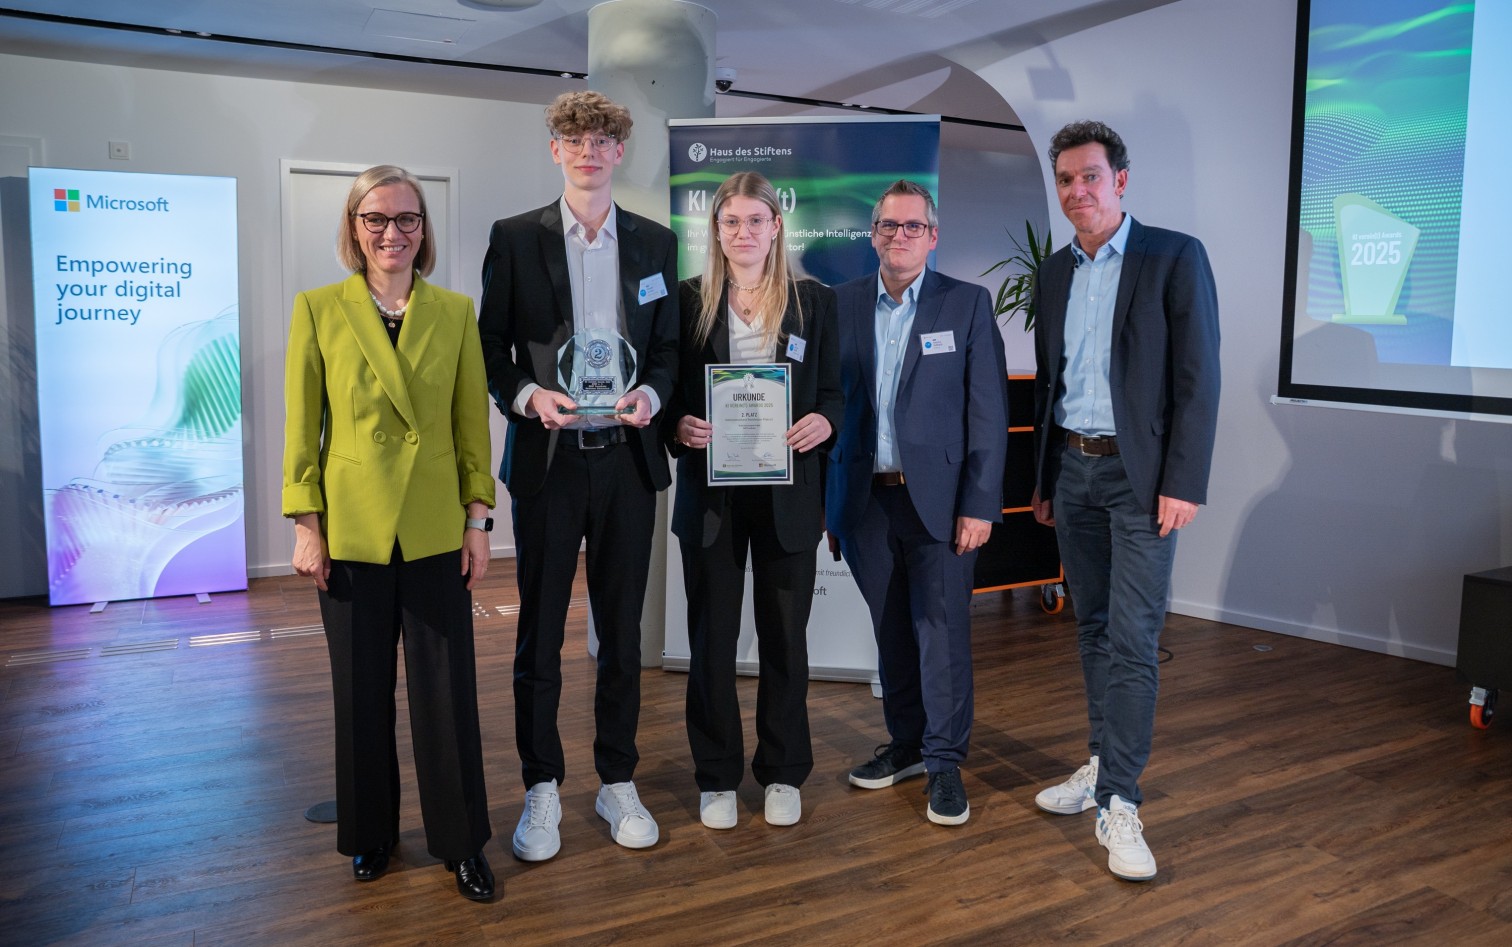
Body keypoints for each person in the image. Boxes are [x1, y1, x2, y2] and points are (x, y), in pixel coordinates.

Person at [282, 165, 496, 901]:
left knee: (447, 694)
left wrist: (478, 520)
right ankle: (371, 832)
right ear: (353, 227)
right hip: (353, 533)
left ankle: (462, 842)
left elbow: (473, 428)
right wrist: (307, 524)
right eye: (376, 219)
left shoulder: (455, 312)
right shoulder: (317, 309)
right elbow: (301, 428)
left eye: (407, 219)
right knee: (360, 694)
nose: (392, 233)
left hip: (436, 529)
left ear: (424, 230)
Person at [477, 91, 678, 860]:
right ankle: (542, 785)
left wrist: (652, 396)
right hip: (551, 461)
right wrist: (529, 397)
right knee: (540, 633)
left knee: (621, 630)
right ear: (554, 149)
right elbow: (492, 348)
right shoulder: (516, 238)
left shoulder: (656, 245)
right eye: (573, 137)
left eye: (602, 139)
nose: (588, 149)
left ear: (619, 152)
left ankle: (616, 777)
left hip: (626, 461)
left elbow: (666, 351)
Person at [1029, 120, 1220, 882]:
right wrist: (1044, 480)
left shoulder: (1173, 256)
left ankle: (1122, 800)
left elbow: (1197, 381)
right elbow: (1052, 384)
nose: (1077, 191)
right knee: (1094, 627)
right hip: (1073, 471)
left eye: (1090, 177)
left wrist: (1184, 480)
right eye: (1066, 180)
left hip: (1143, 482)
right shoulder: (1053, 271)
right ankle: (1102, 760)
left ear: (1122, 180)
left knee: (1136, 640)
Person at [826, 180, 1008, 826]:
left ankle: (944, 762)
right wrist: (832, 507)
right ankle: (905, 744)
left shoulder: (966, 305)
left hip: (941, 503)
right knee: (891, 631)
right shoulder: (840, 304)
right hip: (865, 503)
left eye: (911, 227)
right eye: (886, 226)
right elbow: (829, 407)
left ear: (933, 237)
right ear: (872, 234)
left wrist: (980, 504)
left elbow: (988, 414)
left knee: (942, 636)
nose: (897, 236)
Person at [666, 171, 842, 830]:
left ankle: (783, 769)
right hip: (711, 495)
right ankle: (715, 773)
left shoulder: (813, 302)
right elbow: (666, 392)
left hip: (788, 495)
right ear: (715, 230)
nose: (744, 232)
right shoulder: (687, 302)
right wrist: (676, 425)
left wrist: (824, 423)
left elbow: (834, 394)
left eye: (755, 220)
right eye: (731, 221)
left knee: (785, 642)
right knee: (711, 641)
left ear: (776, 227)